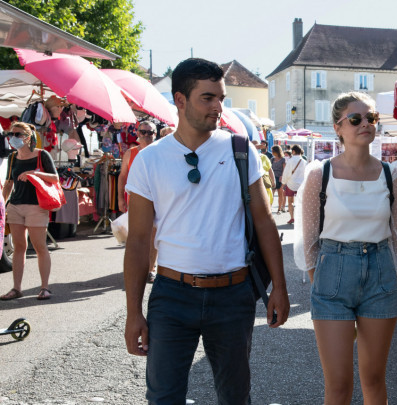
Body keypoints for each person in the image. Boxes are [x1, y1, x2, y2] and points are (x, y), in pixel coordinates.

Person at [123, 58, 290, 404]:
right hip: (171, 296)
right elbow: (138, 241)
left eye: (221, 98)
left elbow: (264, 222)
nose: (218, 107)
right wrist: (133, 312)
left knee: (234, 397)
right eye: (208, 98)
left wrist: (280, 288)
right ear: (180, 100)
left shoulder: (240, 150)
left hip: (233, 296)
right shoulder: (150, 160)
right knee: (163, 397)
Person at [294, 92, 397, 404]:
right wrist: (320, 287)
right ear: (338, 127)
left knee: (374, 379)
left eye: (371, 118)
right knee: (338, 385)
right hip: (332, 273)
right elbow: (309, 243)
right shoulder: (319, 175)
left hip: (380, 275)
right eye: (356, 119)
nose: (365, 124)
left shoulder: (392, 176)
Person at [1, 122, 59, 301]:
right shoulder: (12, 157)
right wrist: (3, 205)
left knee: (40, 247)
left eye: (17, 134)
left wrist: (34, 173)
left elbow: (55, 178)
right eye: (11, 134)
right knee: (19, 247)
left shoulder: (42, 155)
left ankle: (45, 288)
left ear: (27, 137)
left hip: (36, 206)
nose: (13, 138)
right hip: (16, 206)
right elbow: (9, 182)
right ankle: (16, 288)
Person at [118, 120, 158, 283]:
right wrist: (120, 198)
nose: (147, 135)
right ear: (138, 133)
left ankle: (151, 268)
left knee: (153, 235)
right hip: (135, 200)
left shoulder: (159, 151)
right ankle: (137, 267)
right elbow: (122, 176)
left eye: (150, 132)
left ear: (155, 134)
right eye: (144, 132)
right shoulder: (131, 153)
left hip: (156, 199)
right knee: (136, 235)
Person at [280, 144, 306, 224]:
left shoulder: (290, 160)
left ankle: (292, 217)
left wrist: (283, 183)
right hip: (301, 184)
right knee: (301, 202)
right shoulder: (304, 161)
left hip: (291, 183)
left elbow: (286, 173)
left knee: (290, 201)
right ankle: (300, 218)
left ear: (293, 151)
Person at [254, 140, 276, 206]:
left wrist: (273, 181)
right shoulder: (247, 158)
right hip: (256, 186)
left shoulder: (264, 157)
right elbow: (270, 170)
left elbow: (270, 170)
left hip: (264, 184)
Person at [271, 145, 286, 213]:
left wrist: (282, 176)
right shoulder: (272, 159)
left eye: (273, 151)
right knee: (272, 193)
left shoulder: (283, 159)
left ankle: (279, 209)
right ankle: (269, 207)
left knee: (280, 194)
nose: (272, 152)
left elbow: (284, 169)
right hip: (273, 177)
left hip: (280, 177)